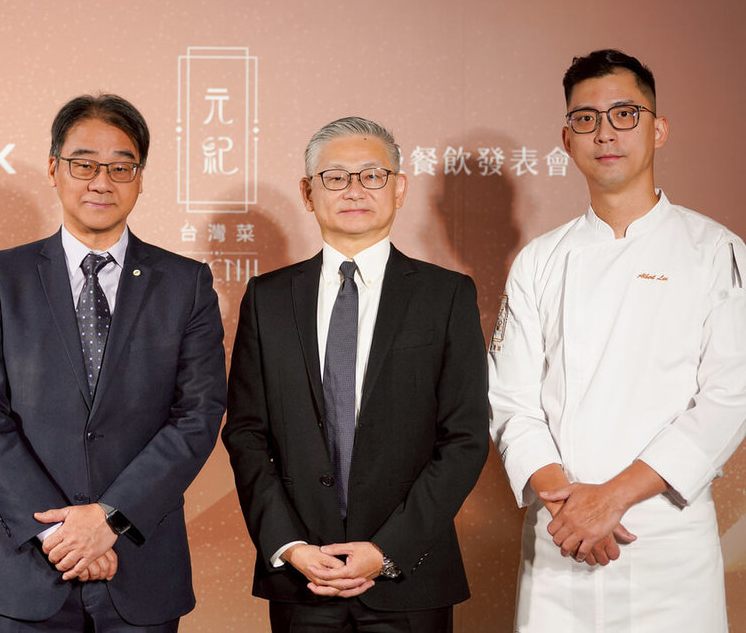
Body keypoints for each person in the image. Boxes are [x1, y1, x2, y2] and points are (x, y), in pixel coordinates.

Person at [489, 49, 746, 631]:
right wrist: (568, 503)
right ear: (567, 139)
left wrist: (613, 499)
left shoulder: (715, 250)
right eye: (586, 119)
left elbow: (729, 397)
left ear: (658, 129)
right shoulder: (540, 260)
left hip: (667, 538)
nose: (605, 133)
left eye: (624, 114)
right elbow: (510, 401)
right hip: (561, 535)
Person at [0, 93, 226, 632]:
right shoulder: (0, 277)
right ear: (54, 169)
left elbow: (198, 414)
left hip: (139, 561)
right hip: (30, 563)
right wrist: (60, 534)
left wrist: (110, 518)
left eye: (121, 167)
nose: (102, 181)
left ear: (140, 178)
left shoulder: (185, 284)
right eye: (84, 164)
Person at [222, 116, 489, 632]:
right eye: (335, 177)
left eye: (372, 175)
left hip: (410, 578)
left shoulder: (446, 296)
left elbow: (466, 437)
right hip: (303, 579)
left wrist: (389, 549)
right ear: (309, 192)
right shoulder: (268, 298)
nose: (354, 190)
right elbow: (246, 434)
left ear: (399, 188)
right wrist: (290, 545)